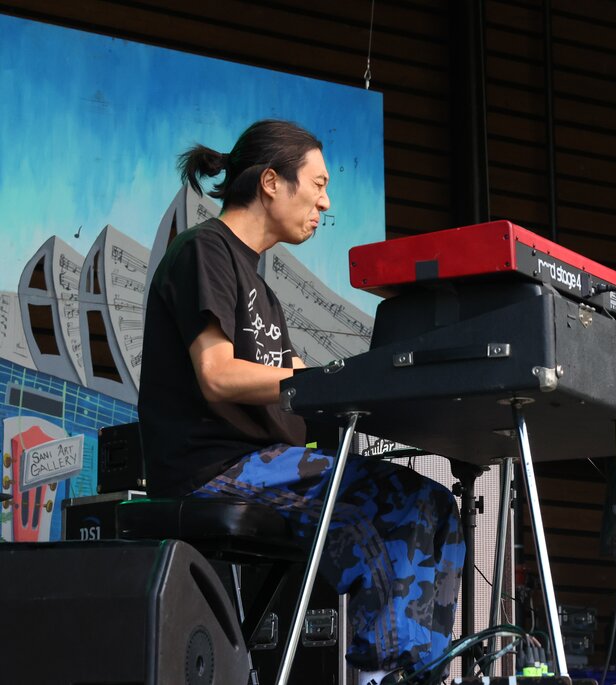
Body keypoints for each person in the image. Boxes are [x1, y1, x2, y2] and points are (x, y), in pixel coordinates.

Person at [138, 119, 465, 685]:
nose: (326, 201)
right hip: (213, 468)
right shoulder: (204, 251)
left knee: (439, 511)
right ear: (271, 181)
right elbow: (216, 375)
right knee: (394, 508)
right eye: (317, 184)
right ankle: (383, 672)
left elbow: (291, 399)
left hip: (265, 465)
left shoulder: (261, 290)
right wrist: (316, 378)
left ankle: (420, 672)